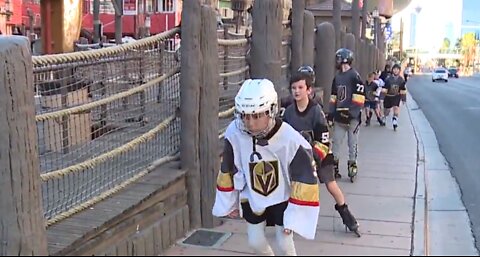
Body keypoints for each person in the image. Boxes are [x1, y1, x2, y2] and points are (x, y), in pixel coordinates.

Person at [212, 78, 320, 256]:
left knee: (284, 244)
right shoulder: (234, 132)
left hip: (283, 197)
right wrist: (230, 201)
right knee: (255, 243)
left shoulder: (290, 139)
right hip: (252, 195)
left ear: (271, 111)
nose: (250, 123)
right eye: (245, 116)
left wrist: (295, 216)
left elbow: (304, 177)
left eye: (256, 115)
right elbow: (229, 167)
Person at [282, 69, 361, 237]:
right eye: (294, 88)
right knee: (291, 188)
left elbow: (324, 139)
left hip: (321, 154)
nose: (297, 91)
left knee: (331, 185)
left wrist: (315, 158)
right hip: (298, 157)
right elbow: (284, 137)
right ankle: (290, 221)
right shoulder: (288, 112)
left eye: (300, 87)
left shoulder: (315, 111)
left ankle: (346, 214)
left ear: (309, 90)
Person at [327, 48, 365, 183]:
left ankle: (352, 165)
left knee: (352, 143)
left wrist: (352, 112)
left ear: (343, 60)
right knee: (336, 142)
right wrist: (331, 113)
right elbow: (333, 97)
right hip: (339, 116)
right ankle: (335, 167)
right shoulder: (337, 77)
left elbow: (360, 96)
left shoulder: (355, 76)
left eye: (338, 59)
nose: (336, 62)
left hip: (351, 117)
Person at [382, 64, 407, 131]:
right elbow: (384, 88)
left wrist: (403, 99)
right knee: (387, 111)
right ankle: (384, 117)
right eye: (394, 69)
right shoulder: (388, 79)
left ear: (399, 71)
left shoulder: (401, 80)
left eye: (397, 69)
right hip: (388, 96)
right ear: (392, 70)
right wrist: (381, 97)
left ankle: (395, 120)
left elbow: (403, 90)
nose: (396, 71)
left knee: (396, 108)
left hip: (396, 96)